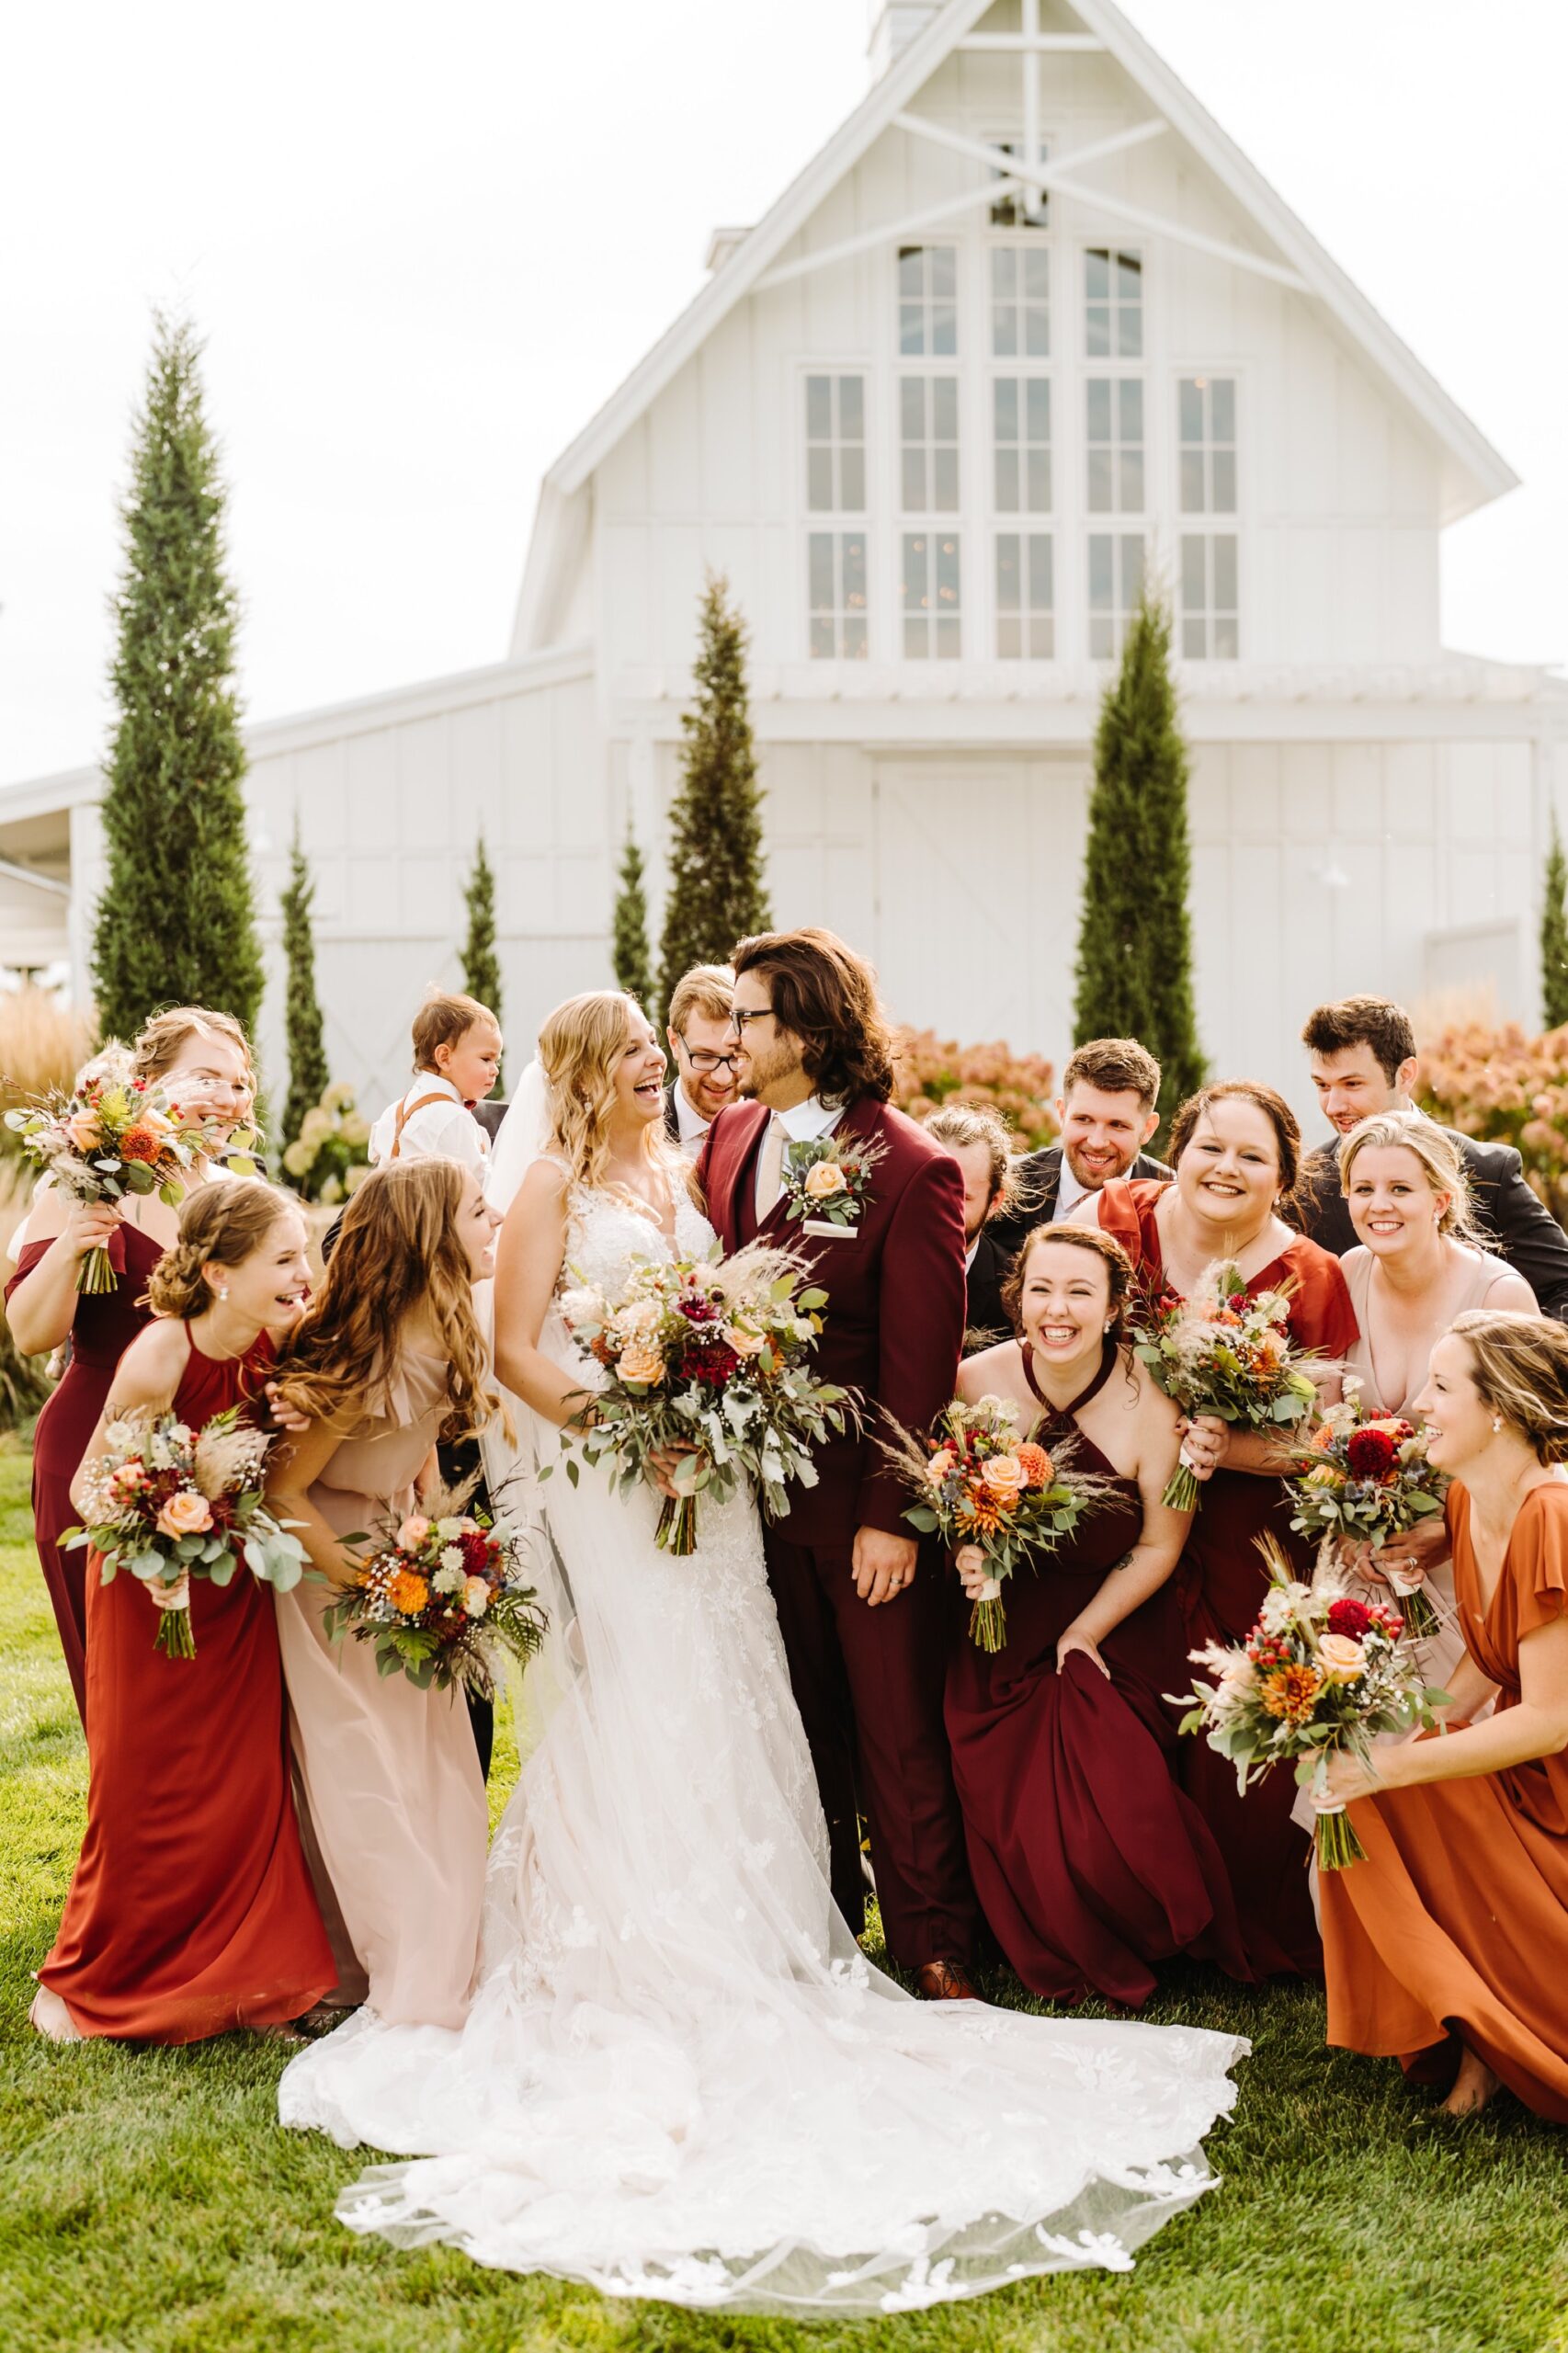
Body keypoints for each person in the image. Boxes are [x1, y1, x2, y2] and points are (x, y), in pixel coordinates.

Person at [273, 987, 1246, 2316]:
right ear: (584, 1067)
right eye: (638, 1052)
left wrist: (714, 1397)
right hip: (615, 1475)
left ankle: (770, 1932)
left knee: (739, 1690)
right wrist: (634, 1418)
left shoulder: (690, 1162)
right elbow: (511, 1352)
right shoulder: (550, 1183)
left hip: (717, 1480)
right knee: (646, 1686)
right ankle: (640, 1936)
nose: (669, 1061)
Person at [699, 928, 982, 1995]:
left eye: (747, 1016)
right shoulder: (728, 1136)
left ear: (808, 1028)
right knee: (792, 1724)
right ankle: (821, 1928)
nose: (728, 1035)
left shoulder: (911, 1167)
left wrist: (893, 1517)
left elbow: (923, 1362)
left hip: (857, 1510)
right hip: (746, 1505)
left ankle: (932, 1943)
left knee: (893, 1733)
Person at [30, 1181, 334, 2044]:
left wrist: (295, 1412)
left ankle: (252, 1978)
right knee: (142, 1788)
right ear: (216, 1271)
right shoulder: (163, 1351)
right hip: (146, 1591)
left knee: (243, 1785)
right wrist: (163, 1536)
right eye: (283, 1259)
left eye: (303, 1254)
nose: (302, 1274)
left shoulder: (280, 1343)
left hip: (234, 1590)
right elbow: (93, 1486)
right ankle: (95, 1976)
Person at [1084, 1078, 1359, 1976]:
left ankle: (1236, 1920)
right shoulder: (1116, 1216)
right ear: (1178, 1145)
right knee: (1121, 1699)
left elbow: (1323, 1436)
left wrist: (1229, 1444)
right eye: (1209, 1145)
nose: (1224, 1167)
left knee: (1229, 1707)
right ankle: (1128, 1903)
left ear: (1282, 1176)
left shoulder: (1311, 1276)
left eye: (1251, 1156)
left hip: (1247, 1523)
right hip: (1118, 1499)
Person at [945, 1225, 1248, 2006]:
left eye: (1081, 1293)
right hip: (1002, 1624)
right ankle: (1044, 1920)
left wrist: (1084, 1633)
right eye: (1042, 1289)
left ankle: (1136, 1921)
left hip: (1116, 1619)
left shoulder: (1154, 1399)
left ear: (1115, 1310)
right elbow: (944, 1510)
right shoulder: (973, 1385)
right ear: (1017, 1300)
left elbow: (1157, 1544)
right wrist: (967, 1558)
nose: (1059, 1309)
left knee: (1107, 1775)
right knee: (1015, 1792)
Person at [1314, 1311, 1568, 2120]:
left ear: (1503, 1407)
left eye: (1442, 1385)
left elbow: (1551, 1720)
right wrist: (1397, 1741)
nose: (1418, 1403)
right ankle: (1476, 2034)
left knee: (1391, 1782)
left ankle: (1512, 2025)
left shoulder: (1551, 1515)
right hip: (1540, 1764)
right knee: (1370, 1790)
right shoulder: (1468, 1499)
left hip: (1557, 1771)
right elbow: (1486, 1667)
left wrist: (1396, 1763)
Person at [266, 1159, 501, 2029]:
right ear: (430, 1238)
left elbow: (434, 1456)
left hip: (405, 1557)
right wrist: (373, 1584)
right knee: (360, 1763)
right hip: (333, 1576)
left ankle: (441, 1923)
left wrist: (442, 1547)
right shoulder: (358, 1362)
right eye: (479, 1211)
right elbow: (284, 1495)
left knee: (432, 1758)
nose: (497, 1218)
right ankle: (350, 1959)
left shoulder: (449, 1328)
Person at [4, 1006, 256, 1724]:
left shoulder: (241, 1200)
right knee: (126, 1695)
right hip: (93, 1451)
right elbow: (30, 1333)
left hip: (217, 1451)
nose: (224, 1096)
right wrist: (74, 1240)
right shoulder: (90, 1185)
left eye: (237, 1084)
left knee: (222, 1688)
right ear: (145, 1083)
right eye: (204, 1076)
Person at [1330, 1110, 1534, 1687]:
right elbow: (1319, 1434)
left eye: (1400, 1189)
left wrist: (1446, 1531)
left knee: (1440, 1742)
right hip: (1362, 1567)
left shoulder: (1499, 1295)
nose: (1379, 1205)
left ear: (1441, 1200)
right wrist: (1349, 1531)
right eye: (1363, 1189)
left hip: (1463, 1558)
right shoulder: (1347, 1274)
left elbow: (1527, 1454)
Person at [1296, 995, 1568, 1321]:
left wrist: (1506, 1363)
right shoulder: (1305, 1185)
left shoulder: (1488, 1171)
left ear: (1406, 1075)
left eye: (1352, 1084)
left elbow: (1562, 1290)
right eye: (1322, 1086)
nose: (1333, 1106)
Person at [986, 1038, 1172, 1259]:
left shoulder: (1173, 1200)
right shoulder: (1006, 1188)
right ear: (1062, 1113)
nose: (1096, 1142)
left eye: (1117, 1125)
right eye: (1084, 1119)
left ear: (1148, 1129)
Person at [369, 990, 503, 1172]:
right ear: (445, 1057)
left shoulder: (395, 1111)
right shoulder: (453, 1119)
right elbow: (481, 1185)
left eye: (497, 1061)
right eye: (486, 1059)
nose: (495, 1070)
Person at [921, 1100, 1017, 1350]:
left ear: (994, 1201)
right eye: (929, 1190)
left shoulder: (1016, 1291)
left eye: (961, 1198)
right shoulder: (868, 1260)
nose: (938, 1210)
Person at [663, 962, 739, 1159]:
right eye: (705, 1057)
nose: (723, 1078)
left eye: (736, 1056)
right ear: (674, 1043)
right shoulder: (639, 1131)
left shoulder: (774, 1125)